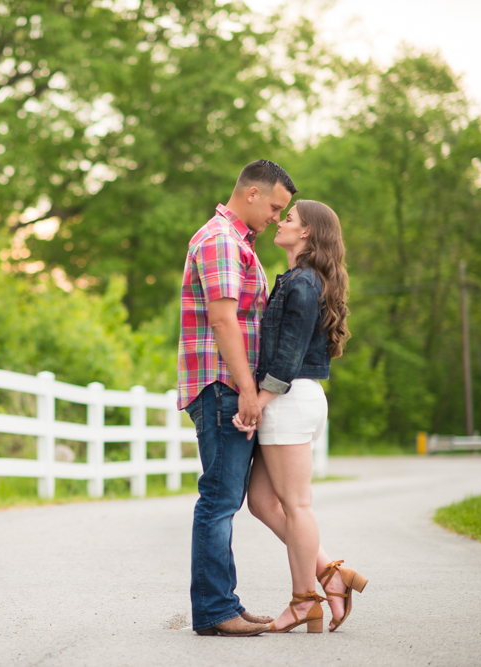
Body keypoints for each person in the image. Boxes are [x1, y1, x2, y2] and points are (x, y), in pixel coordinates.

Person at [234, 200, 368, 633]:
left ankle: (304, 600)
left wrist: (257, 403)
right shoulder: (297, 280)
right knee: (261, 502)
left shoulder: (304, 283)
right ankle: (331, 574)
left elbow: (288, 358)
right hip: (291, 398)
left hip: (288, 398)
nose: (279, 220)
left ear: (307, 232)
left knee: (296, 504)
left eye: (288, 218)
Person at [177, 159, 295, 637]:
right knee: (219, 499)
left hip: (228, 386)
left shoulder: (235, 242)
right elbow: (225, 321)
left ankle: (225, 603)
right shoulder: (221, 241)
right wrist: (248, 390)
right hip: (225, 387)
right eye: (274, 206)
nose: (276, 217)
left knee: (224, 497)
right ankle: (214, 612)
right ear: (251, 193)